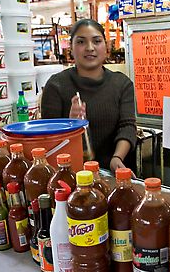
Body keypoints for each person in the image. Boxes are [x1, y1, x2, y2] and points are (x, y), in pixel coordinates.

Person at [40, 18, 137, 174]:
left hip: (113, 172)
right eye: (81, 42)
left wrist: (117, 158)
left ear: (106, 46)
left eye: (97, 41)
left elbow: (127, 126)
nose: (90, 48)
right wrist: (69, 125)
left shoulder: (122, 84)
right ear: (71, 48)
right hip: (70, 173)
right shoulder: (56, 86)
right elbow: (48, 138)